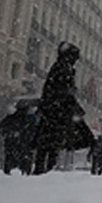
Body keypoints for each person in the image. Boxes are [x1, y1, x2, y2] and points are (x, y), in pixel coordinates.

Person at [33, 42, 85, 175]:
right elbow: (63, 91)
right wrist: (72, 102)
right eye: (75, 58)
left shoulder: (59, 67)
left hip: (52, 110)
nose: (75, 61)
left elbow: (52, 89)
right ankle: (46, 169)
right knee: (52, 142)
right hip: (56, 111)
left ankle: (42, 168)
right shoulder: (63, 69)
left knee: (47, 142)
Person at [0, 97, 40, 175]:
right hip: (25, 146)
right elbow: (35, 132)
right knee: (25, 167)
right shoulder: (31, 119)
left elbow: (0, 128)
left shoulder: (11, 118)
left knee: (10, 166)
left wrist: (9, 134)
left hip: (12, 145)